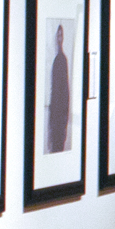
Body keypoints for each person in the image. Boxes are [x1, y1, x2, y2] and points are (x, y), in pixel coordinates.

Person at [47, 23, 71, 153]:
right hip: (55, 115)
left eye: (61, 36)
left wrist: (64, 119)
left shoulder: (62, 59)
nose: (59, 38)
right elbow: (53, 91)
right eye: (58, 36)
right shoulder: (56, 60)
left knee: (58, 149)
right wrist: (51, 120)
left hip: (60, 118)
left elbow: (65, 91)